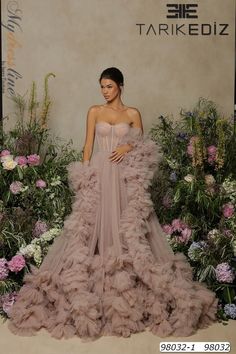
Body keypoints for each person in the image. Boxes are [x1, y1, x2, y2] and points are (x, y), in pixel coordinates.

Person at [7, 67, 218, 341]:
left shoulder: (132, 114)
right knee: (87, 228)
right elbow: (87, 145)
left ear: (120, 85)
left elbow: (142, 144)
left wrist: (126, 148)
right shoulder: (95, 111)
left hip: (123, 177)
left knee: (129, 228)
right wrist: (84, 176)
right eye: (102, 87)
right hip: (99, 174)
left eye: (109, 86)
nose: (105, 91)